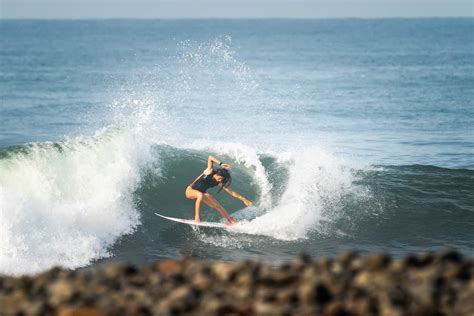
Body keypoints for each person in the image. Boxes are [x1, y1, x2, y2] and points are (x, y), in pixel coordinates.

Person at [185, 155, 253, 225]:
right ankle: (197, 217)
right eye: (220, 178)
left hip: (202, 193)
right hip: (190, 190)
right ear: (216, 174)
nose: (220, 180)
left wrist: (244, 199)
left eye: (222, 179)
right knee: (200, 195)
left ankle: (230, 221)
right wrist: (221, 163)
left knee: (218, 206)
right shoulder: (209, 171)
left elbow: (231, 192)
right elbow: (210, 157)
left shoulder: (219, 182)